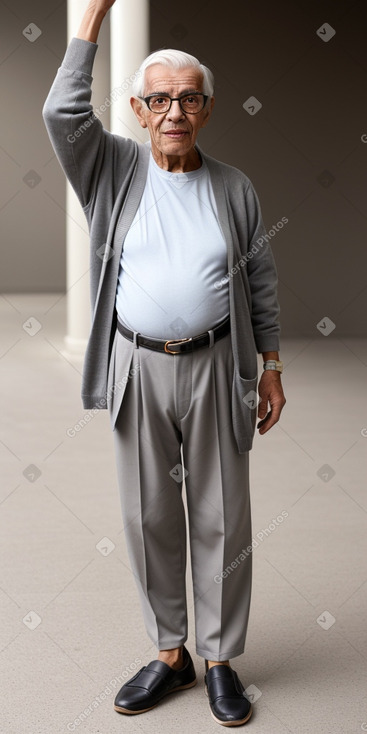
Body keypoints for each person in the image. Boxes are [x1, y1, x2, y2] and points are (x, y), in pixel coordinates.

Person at [43, 0, 286, 726]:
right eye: (158, 98)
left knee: (221, 517)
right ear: (138, 109)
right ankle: (169, 653)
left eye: (186, 97)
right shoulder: (110, 168)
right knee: (148, 514)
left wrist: (269, 365)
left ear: (205, 110)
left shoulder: (233, 187)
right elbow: (61, 115)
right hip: (137, 368)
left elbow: (260, 282)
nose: (172, 109)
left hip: (217, 367)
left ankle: (218, 660)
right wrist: (89, 21)